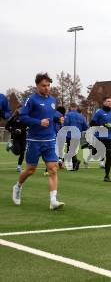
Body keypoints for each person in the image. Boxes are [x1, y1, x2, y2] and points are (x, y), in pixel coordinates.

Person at [11, 73, 65, 210]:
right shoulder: (31, 99)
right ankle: (17, 187)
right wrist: (38, 122)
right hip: (34, 140)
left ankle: (53, 201)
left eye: (48, 85)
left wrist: (59, 117)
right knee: (31, 170)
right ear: (37, 85)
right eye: (43, 85)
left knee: (53, 169)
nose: (47, 88)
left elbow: (53, 114)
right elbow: (22, 117)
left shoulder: (52, 99)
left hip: (50, 139)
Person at [90, 97, 111, 182]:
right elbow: (92, 123)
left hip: (108, 137)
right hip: (99, 136)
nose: (110, 103)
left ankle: (107, 176)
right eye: (108, 101)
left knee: (109, 155)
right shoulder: (99, 112)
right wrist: (103, 125)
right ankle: (92, 147)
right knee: (95, 153)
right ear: (104, 102)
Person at [64, 103, 89, 171]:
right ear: (76, 107)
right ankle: (75, 165)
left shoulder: (68, 115)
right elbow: (85, 127)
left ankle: (76, 161)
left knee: (70, 150)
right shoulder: (81, 116)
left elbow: (65, 124)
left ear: (71, 107)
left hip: (70, 134)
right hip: (78, 135)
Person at [5, 105, 27, 172]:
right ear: (17, 109)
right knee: (17, 152)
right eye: (19, 109)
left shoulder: (25, 118)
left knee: (23, 151)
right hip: (15, 137)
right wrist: (13, 131)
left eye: (22, 109)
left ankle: (19, 166)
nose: (20, 110)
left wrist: (22, 130)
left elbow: (27, 127)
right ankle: (10, 146)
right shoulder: (13, 118)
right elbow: (6, 127)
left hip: (23, 137)